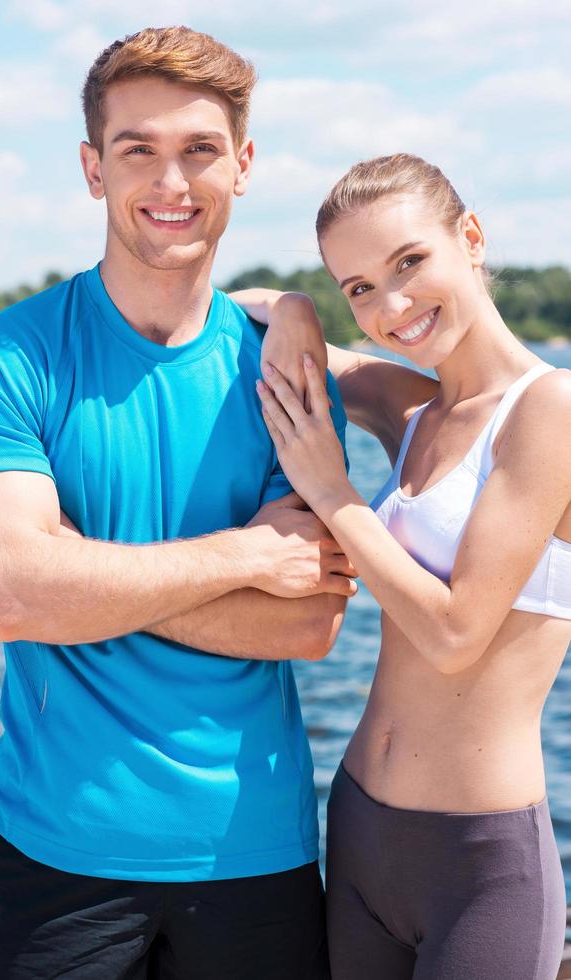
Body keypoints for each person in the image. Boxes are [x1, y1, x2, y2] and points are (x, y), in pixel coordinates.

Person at [0, 27, 355, 980]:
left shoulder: (285, 368)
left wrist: (82, 575)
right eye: (139, 151)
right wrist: (249, 558)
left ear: (243, 166)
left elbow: (314, 623)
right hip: (58, 855)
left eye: (200, 150)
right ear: (93, 168)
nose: (173, 182)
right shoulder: (1, 361)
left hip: (257, 851)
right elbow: (12, 596)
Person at [245, 153, 571, 979]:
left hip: (480, 862)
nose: (391, 306)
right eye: (357, 288)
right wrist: (291, 304)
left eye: (409, 262)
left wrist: (330, 489)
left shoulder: (549, 410)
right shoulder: (410, 407)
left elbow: (457, 633)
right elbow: (249, 316)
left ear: (471, 237)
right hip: (360, 831)